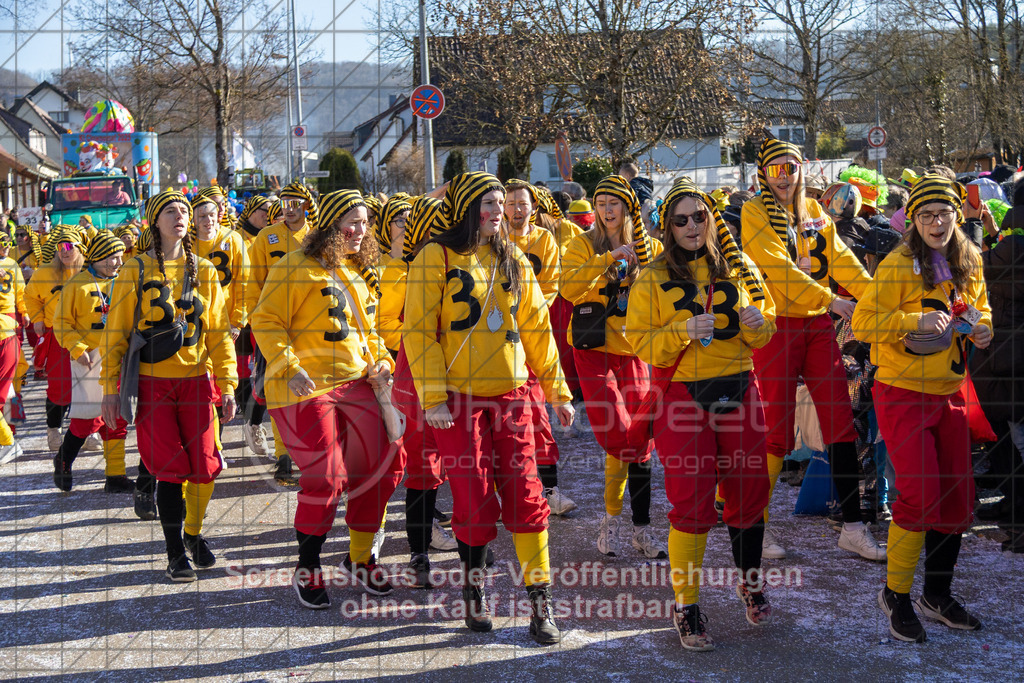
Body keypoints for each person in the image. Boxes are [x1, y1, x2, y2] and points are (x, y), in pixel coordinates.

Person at [404, 172, 574, 644]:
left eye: (501, 202)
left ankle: (541, 599)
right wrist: (433, 395)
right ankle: (475, 590)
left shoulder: (514, 257)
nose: (498, 210)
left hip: (513, 395)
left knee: (526, 495)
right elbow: (418, 331)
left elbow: (538, 328)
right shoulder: (434, 257)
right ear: (464, 207)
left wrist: (558, 391)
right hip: (458, 401)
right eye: (487, 203)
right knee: (474, 500)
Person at [627, 177, 776, 650]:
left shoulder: (739, 265)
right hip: (684, 397)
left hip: (740, 389)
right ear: (668, 227)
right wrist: (681, 328)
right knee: (691, 504)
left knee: (750, 495)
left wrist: (759, 324)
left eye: (701, 216)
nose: (693, 226)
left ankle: (749, 581)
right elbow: (639, 339)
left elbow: (768, 325)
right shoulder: (652, 276)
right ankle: (686, 604)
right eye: (681, 219)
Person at [852, 174, 992, 642]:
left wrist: (982, 328)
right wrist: (912, 319)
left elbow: (979, 310)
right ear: (913, 219)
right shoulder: (897, 263)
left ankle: (937, 594)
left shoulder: (968, 260)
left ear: (957, 215)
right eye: (927, 215)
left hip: (950, 392)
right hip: (902, 392)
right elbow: (863, 323)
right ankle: (896, 594)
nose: (937, 222)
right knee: (917, 494)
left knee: (956, 497)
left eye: (945, 213)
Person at [251, 189, 403, 609]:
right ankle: (308, 565)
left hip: (355, 383)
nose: (360, 230)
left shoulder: (356, 273)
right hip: (304, 385)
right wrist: (287, 364)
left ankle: (359, 558)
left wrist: (383, 362)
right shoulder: (292, 266)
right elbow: (264, 320)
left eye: (365, 222)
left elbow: (368, 333)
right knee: (328, 476)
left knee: (384, 464)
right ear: (331, 225)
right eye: (351, 222)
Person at [742, 138, 885, 562]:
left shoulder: (817, 212)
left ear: (803, 169)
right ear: (763, 175)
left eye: (793, 167)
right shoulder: (754, 212)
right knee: (776, 431)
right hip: (777, 328)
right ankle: (756, 525)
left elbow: (844, 262)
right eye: (777, 169)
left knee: (840, 423)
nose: (786, 176)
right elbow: (775, 268)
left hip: (817, 328)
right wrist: (831, 300)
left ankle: (854, 527)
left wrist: (878, 298)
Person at [100, 189, 237, 582]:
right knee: (171, 470)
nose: (179, 215)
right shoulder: (135, 268)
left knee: (207, 467)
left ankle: (193, 534)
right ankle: (175, 550)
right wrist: (110, 389)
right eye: (170, 210)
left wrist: (227, 384)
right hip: (154, 383)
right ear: (154, 222)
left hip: (197, 381)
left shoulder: (205, 270)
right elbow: (117, 332)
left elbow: (218, 335)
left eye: (184, 210)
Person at [560, 175, 666, 559]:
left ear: (628, 208)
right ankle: (611, 522)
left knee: (639, 443)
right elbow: (568, 289)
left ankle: (637, 529)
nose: (606, 209)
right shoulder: (580, 243)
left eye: (614, 203)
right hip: (593, 351)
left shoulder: (651, 246)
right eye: (600, 201)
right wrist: (608, 259)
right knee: (620, 435)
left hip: (635, 351)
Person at [504, 179, 577, 514]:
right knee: (503, 425)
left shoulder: (543, 239)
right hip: (498, 343)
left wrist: (527, 312)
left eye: (523, 203)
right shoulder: (491, 239)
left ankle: (550, 489)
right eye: (512, 203)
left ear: (534, 207)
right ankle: (507, 494)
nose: (518, 210)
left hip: (531, 336)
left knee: (539, 419)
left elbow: (549, 287)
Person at [52, 232, 141, 497]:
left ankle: (115, 476)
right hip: (89, 360)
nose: (118, 262)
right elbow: (61, 323)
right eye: (113, 258)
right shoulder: (77, 284)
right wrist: (78, 349)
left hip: (121, 358)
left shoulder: (125, 281)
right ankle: (64, 460)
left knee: (117, 418)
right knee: (87, 419)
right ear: (99, 257)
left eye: (120, 257)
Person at [246, 181, 319, 482]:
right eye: (284, 202)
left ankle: (312, 453)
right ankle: (284, 457)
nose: (288, 208)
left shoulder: (317, 236)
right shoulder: (266, 237)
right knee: (278, 389)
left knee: (311, 389)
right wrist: (256, 321)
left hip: (310, 325)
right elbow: (254, 283)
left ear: (307, 204)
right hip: (275, 325)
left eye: (295, 202)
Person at [26, 227, 97, 453]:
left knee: (89, 385)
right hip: (57, 336)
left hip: (87, 336)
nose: (65, 251)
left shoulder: (90, 271)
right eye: (60, 247)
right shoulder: (45, 272)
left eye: (69, 246)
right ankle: (53, 429)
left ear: (80, 248)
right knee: (59, 386)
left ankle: (89, 431)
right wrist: (37, 318)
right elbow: (30, 296)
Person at [192, 193, 249, 441]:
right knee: (201, 383)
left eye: (211, 215)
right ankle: (204, 441)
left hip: (224, 324)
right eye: (202, 216)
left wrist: (238, 320)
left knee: (221, 382)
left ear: (219, 215)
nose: (207, 220)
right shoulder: (186, 243)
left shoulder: (233, 239)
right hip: (193, 325)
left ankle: (215, 443)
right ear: (193, 219)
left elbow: (245, 283)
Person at [0, 231, 27, 465]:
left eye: (7, 245)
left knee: (13, 379)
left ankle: (14, 427)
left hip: (9, 319)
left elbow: (20, 291)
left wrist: (24, 312)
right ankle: (10, 430)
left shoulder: (12, 264)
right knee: (7, 385)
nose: (6, 248)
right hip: (6, 321)